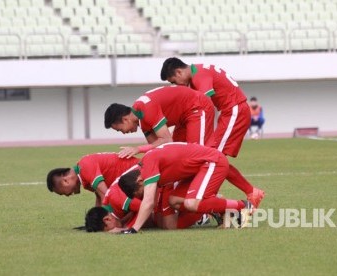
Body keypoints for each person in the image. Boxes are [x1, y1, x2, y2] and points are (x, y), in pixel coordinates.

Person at [160, 57, 265, 208]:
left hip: (234, 111)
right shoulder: (198, 71)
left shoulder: (199, 76)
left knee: (213, 159)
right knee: (212, 158)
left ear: (179, 71)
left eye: (174, 81)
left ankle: (246, 193)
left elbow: (204, 104)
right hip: (230, 111)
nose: (176, 85)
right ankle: (214, 198)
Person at [117, 142, 253, 234]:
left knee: (191, 203)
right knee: (174, 201)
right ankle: (217, 208)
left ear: (139, 181)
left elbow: (148, 202)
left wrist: (133, 229)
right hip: (199, 168)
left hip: (212, 161)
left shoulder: (148, 165)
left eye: (139, 193)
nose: (143, 195)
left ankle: (242, 205)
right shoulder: (147, 163)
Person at [104, 85, 214, 159]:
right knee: (177, 155)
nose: (123, 133)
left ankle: (207, 192)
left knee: (196, 154)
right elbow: (159, 149)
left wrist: (137, 149)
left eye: (119, 129)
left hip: (198, 106)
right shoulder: (141, 119)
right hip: (184, 118)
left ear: (125, 119)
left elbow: (166, 140)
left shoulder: (146, 109)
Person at [46, 152, 140, 207]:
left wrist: (107, 220)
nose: (67, 195)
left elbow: (106, 195)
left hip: (140, 174)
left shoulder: (84, 166)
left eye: (62, 193)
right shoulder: (83, 175)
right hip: (133, 182)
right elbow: (100, 197)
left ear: (65, 181)